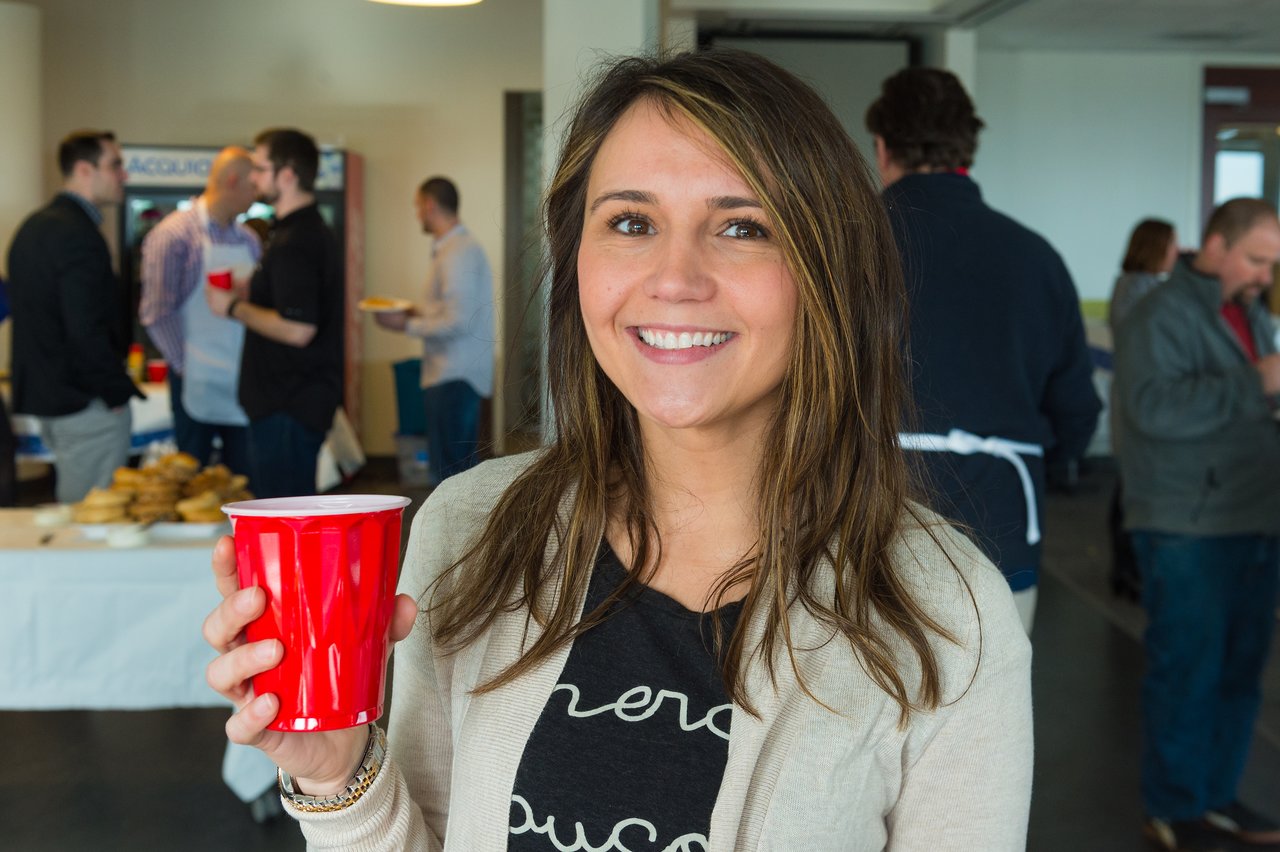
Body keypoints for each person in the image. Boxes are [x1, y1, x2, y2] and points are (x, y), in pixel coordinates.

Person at [202, 49, 1033, 850]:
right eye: (630, 222)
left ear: (829, 270)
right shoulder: (468, 531)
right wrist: (339, 776)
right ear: (578, 265)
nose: (675, 277)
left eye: (742, 226)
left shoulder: (949, 617)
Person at [865, 68, 1101, 634]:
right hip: (999, 521)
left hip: (861, 519)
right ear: (966, 147)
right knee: (993, 714)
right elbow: (1076, 412)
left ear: (881, 147)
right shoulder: (1035, 258)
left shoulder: (846, 246)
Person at [1113, 198, 1280, 851]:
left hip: (1255, 513)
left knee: (1241, 670)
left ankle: (1216, 795)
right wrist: (1257, 381)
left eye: (1272, 263)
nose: (1266, 274)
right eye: (1257, 259)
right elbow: (1152, 409)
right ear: (1216, 245)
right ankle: (1173, 805)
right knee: (1188, 669)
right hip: (1188, 522)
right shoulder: (1161, 312)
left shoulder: (1251, 313)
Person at [6, 130, 142, 504]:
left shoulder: (33, 228)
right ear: (84, 169)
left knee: (79, 510)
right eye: (115, 165)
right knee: (93, 518)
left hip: (49, 395)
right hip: (83, 400)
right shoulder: (77, 234)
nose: (123, 175)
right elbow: (85, 327)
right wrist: (113, 391)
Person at [206, 128, 342, 499]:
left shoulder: (296, 241)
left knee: (286, 525)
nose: (253, 177)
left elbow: (299, 329)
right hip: (292, 401)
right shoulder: (298, 232)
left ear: (288, 174)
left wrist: (232, 307)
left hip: (288, 405)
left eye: (261, 168)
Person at [140, 146, 261, 476]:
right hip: (193, 379)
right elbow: (156, 312)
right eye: (253, 185)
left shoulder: (249, 240)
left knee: (245, 481)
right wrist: (186, 365)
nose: (258, 193)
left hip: (242, 379)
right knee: (191, 478)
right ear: (232, 181)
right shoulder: (174, 235)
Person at [373, 177, 495, 482]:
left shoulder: (459, 251)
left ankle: (459, 532)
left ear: (430, 205)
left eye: (418, 207)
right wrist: (412, 311)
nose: (417, 215)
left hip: (455, 375)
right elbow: (448, 309)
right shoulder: (451, 248)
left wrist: (406, 324)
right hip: (449, 372)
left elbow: (458, 319)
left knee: (453, 477)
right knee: (451, 471)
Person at [1105, 218, 1179, 602]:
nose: (1177, 252)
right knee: (1132, 490)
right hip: (1140, 401)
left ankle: (1125, 569)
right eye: (1172, 244)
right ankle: (1130, 571)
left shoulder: (1128, 286)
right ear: (1156, 248)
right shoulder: (1146, 291)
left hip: (1129, 396)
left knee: (1125, 486)